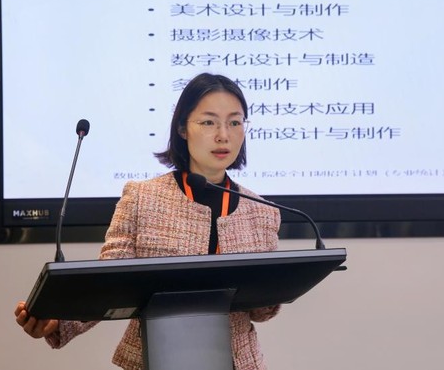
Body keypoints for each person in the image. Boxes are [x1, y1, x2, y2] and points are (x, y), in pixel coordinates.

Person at [15, 73, 282, 369]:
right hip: (153, 359)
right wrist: (59, 319)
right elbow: (108, 282)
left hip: (238, 362)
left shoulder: (262, 212)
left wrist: (278, 289)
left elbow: (261, 312)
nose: (223, 135)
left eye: (234, 122)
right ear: (182, 128)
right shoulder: (142, 198)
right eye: (209, 122)